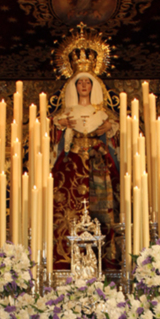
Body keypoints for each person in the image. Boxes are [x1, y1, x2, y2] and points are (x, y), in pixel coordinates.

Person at [51, 72, 120, 268]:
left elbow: (116, 129)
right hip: (72, 161)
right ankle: (66, 259)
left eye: (87, 82)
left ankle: (103, 260)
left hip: (97, 163)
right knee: (68, 207)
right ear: (75, 86)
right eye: (79, 82)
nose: (83, 85)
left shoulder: (102, 112)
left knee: (103, 205)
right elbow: (52, 131)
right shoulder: (67, 112)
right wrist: (61, 124)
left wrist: (108, 126)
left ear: (92, 86)